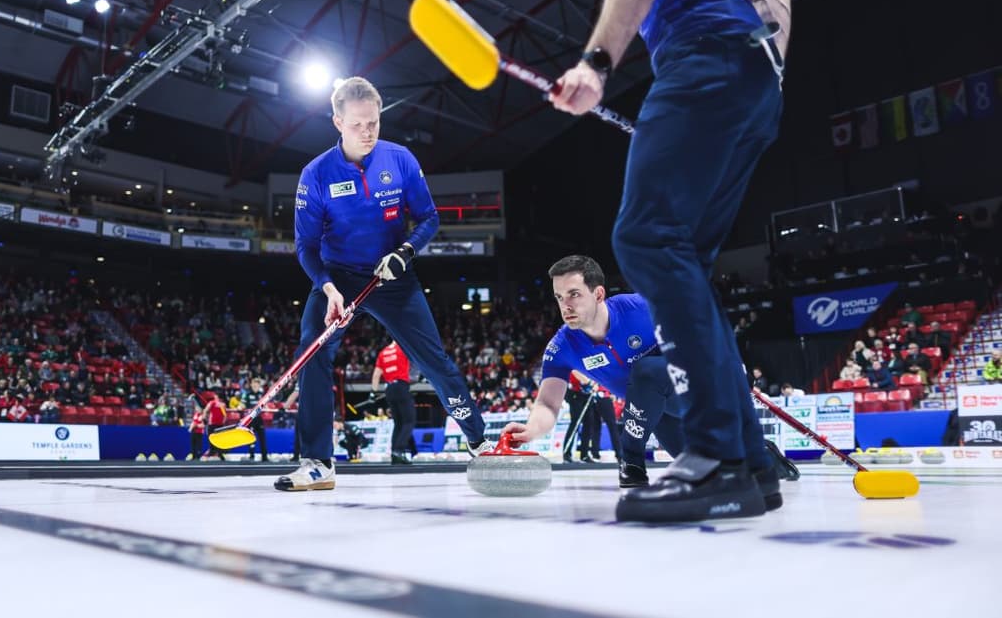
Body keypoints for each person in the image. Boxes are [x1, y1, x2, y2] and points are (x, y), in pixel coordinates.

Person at [527, 0, 790, 521]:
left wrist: (595, 64)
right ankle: (749, 465)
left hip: (700, 57)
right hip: (751, 75)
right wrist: (770, 68)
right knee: (685, 268)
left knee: (644, 239)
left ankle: (717, 458)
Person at [275, 77, 492, 491]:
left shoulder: (400, 159)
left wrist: (406, 252)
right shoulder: (316, 174)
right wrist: (326, 286)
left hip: (393, 275)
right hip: (337, 277)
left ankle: (479, 441)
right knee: (312, 352)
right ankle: (318, 463)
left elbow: (429, 218)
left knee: (433, 360)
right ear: (338, 121)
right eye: (357, 124)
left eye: (374, 122)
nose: (367, 132)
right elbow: (305, 244)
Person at [504, 255, 784, 507]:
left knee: (646, 370)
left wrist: (736, 370)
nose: (565, 305)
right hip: (654, 411)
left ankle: (631, 460)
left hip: (691, 391)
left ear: (598, 293)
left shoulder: (641, 307)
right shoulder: (561, 346)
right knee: (702, 463)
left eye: (574, 294)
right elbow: (548, 404)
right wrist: (530, 429)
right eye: (559, 297)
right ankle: (758, 452)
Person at [370, 339, 416, 465]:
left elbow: (376, 375)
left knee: (398, 423)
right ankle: (398, 451)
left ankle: (395, 455)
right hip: (401, 386)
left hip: (389, 389)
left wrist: (373, 393)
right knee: (409, 421)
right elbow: (417, 360)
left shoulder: (383, 352)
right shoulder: (403, 348)